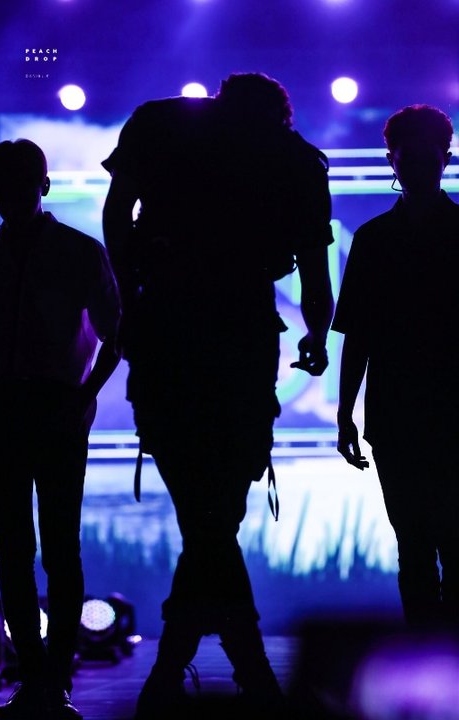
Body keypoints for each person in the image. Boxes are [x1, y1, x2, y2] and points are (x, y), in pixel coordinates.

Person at [102, 72, 334, 717]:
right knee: (216, 517)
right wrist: (316, 335)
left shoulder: (159, 126)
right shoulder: (293, 159)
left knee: (203, 520)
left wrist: (130, 297)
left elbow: (116, 215)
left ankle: (178, 669)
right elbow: (315, 270)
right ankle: (245, 667)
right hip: (239, 345)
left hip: (168, 339)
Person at [0, 139, 121, 719]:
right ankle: (48, 682)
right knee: (49, 549)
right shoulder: (77, 252)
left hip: (16, 410)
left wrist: (80, 397)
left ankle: (42, 679)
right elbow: (116, 336)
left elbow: (117, 336)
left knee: (26, 551)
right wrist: (82, 397)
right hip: (37, 410)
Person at [333, 104, 459, 631]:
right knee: (427, 545)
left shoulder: (375, 239)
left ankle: (428, 658)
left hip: (398, 413)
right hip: (417, 413)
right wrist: (346, 413)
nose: (417, 169)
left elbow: (356, 334)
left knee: (417, 548)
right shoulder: (376, 239)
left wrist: (347, 414)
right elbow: (357, 334)